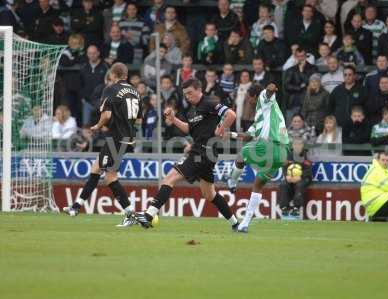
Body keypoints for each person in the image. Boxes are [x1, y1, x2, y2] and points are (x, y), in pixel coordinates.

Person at [133, 78, 238, 230]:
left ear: (198, 89)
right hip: (203, 152)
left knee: (169, 178)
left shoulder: (209, 102)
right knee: (209, 194)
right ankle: (236, 223)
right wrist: (174, 119)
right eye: (185, 94)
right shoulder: (191, 111)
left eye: (190, 93)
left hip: (204, 152)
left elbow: (231, 115)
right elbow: (190, 130)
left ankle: (148, 215)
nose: (188, 97)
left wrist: (221, 128)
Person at [63, 63, 143, 227]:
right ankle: (76, 206)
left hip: (116, 138)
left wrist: (97, 126)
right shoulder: (135, 92)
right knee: (96, 168)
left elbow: (106, 115)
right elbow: (139, 120)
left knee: (110, 177)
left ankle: (131, 214)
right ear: (126, 76)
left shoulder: (111, 89)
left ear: (113, 75)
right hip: (127, 138)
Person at [226, 83, 289, 232]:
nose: (249, 102)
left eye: (249, 99)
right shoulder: (260, 119)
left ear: (254, 96)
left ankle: (232, 182)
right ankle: (245, 224)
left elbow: (267, 94)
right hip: (282, 153)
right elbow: (248, 136)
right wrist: (231, 134)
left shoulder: (263, 100)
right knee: (258, 184)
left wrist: (270, 89)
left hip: (271, 145)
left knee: (241, 155)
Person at [361, 151, 388, 221]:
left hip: (378, 203)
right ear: (378, 160)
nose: (385, 162)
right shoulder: (376, 171)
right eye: (383, 160)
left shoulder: (386, 172)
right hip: (375, 205)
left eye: (387, 160)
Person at [279, 138, 312, 218]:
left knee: (300, 185)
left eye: (299, 144)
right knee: (283, 184)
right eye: (295, 144)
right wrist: (287, 176)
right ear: (292, 146)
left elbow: (308, 171)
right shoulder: (289, 155)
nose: (297, 146)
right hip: (290, 177)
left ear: (302, 146)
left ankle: (296, 208)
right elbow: (284, 167)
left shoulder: (306, 155)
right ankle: (284, 207)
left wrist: (299, 177)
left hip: (304, 178)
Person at [284, 47, 318, 123]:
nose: (300, 58)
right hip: (294, 102)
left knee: (308, 126)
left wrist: (302, 71)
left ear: (306, 56)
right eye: (298, 56)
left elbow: (313, 84)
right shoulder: (291, 70)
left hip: (309, 101)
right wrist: (300, 87)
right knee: (291, 126)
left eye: (302, 56)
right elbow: (287, 86)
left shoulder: (313, 68)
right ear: (295, 57)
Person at [80, 45, 109, 126]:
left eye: (94, 53)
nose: (92, 55)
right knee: (86, 126)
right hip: (87, 102)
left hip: (101, 103)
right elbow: (80, 84)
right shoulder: (84, 67)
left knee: (103, 127)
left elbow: (109, 84)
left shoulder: (105, 67)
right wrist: (83, 98)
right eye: (90, 53)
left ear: (98, 53)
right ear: (87, 54)